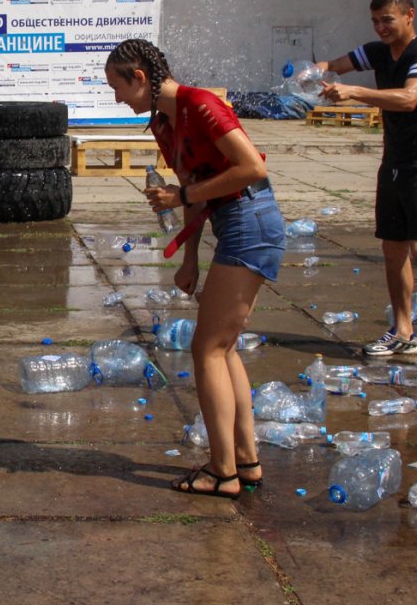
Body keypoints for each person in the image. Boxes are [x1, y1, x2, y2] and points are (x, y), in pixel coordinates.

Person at [104, 38, 283, 499]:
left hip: (252, 219)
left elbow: (251, 169)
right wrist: (188, 258)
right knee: (224, 349)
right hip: (232, 222)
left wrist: (180, 197)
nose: (117, 98)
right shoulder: (164, 122)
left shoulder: (200, 105)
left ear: (140, 77)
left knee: (208, 348)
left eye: (118, 88)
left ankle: (222, 472)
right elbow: (193, 185)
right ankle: (245, 461)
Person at [319, 0, 417, 374]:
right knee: (393, 249)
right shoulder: (378, 51)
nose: (381, 27)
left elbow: (409, 98)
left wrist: (354, 92)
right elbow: (334, 65)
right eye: (376, 21)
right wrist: (311, 70)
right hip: (395, 162)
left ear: (409, 15)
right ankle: (403, 331)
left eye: (388, 20)